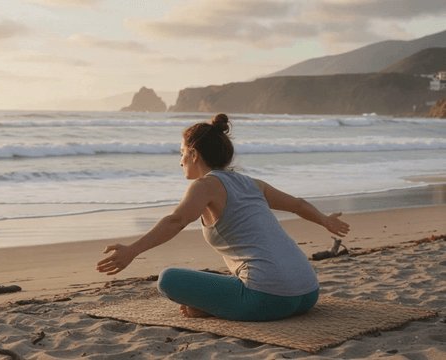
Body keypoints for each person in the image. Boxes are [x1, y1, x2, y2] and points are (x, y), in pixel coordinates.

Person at [96, 114, 350, 321]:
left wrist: (133, 250)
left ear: (194, 154)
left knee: (168, 279)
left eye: (181, 152)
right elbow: (297, 204)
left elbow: (176, 221)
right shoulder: (253, 184)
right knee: (231, 277)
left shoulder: (204, 186)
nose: (180, 160)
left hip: (269, 299)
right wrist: (324, 220)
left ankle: (210, 309)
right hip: (308, 293)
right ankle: (220, 305)